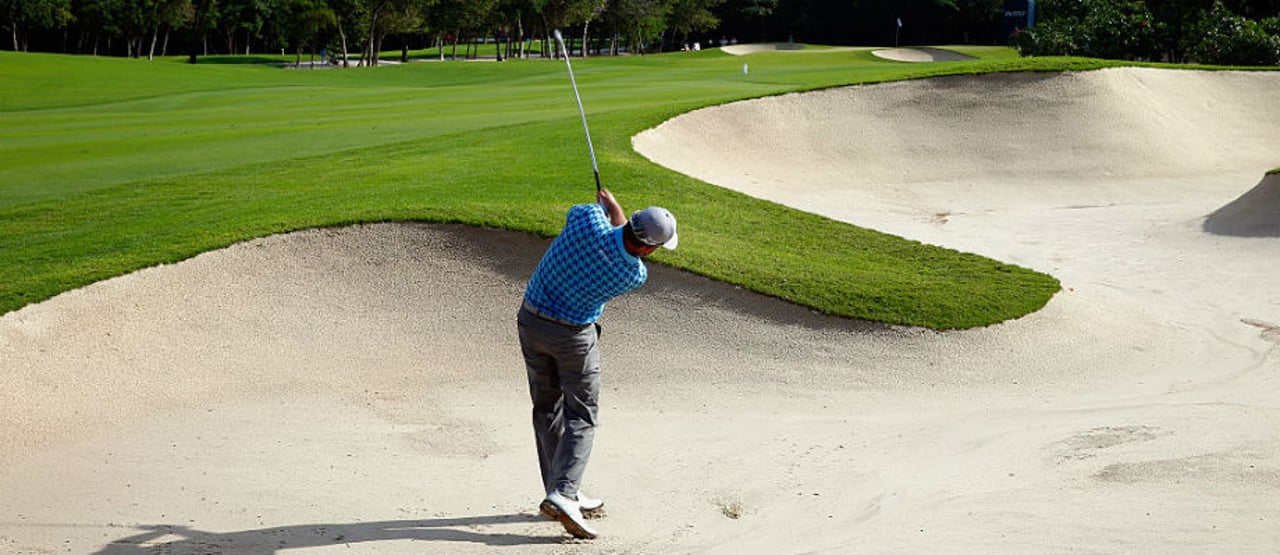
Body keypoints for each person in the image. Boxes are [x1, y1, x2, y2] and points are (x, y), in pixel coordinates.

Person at [517, 188, 678, 540]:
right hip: (573, 338)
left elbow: (596, 219)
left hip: (531, 321)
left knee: (546, 408)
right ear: (649, 249)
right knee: (582, 414)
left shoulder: (588, 220)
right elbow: (624, 244)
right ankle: (563, 493)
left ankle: (560, 489)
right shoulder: (633, 274)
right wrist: (616, 214)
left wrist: (609, 208)